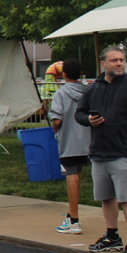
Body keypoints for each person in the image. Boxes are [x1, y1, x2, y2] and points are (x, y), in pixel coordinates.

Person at [75, 47, 127, 253]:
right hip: (99, 153)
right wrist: (89, 120)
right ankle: (112, 236)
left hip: (123, 152)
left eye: (121, 60)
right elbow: (79, 114)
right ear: (103, 64)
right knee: (106, 197)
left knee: (126, 198)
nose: (119, 63)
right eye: (114, 60)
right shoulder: (93, 88)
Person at [49, 58, 90, 234]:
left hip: (69, 140)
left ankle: (74, 220)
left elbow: (57, 119)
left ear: (63, 74)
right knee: (77, 176)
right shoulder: (88, 91)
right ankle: (71, 213)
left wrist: (55, 129)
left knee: (71, 177)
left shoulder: (61, 93)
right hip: (87, 140)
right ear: (80, 73)